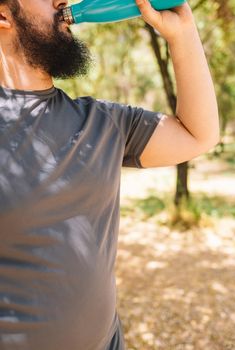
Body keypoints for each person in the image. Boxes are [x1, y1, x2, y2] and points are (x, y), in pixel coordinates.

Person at [0, 0, 219, 349]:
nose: (63, 1)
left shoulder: (102, 122)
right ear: (3, 14)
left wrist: (183, 35)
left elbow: (198, 135)